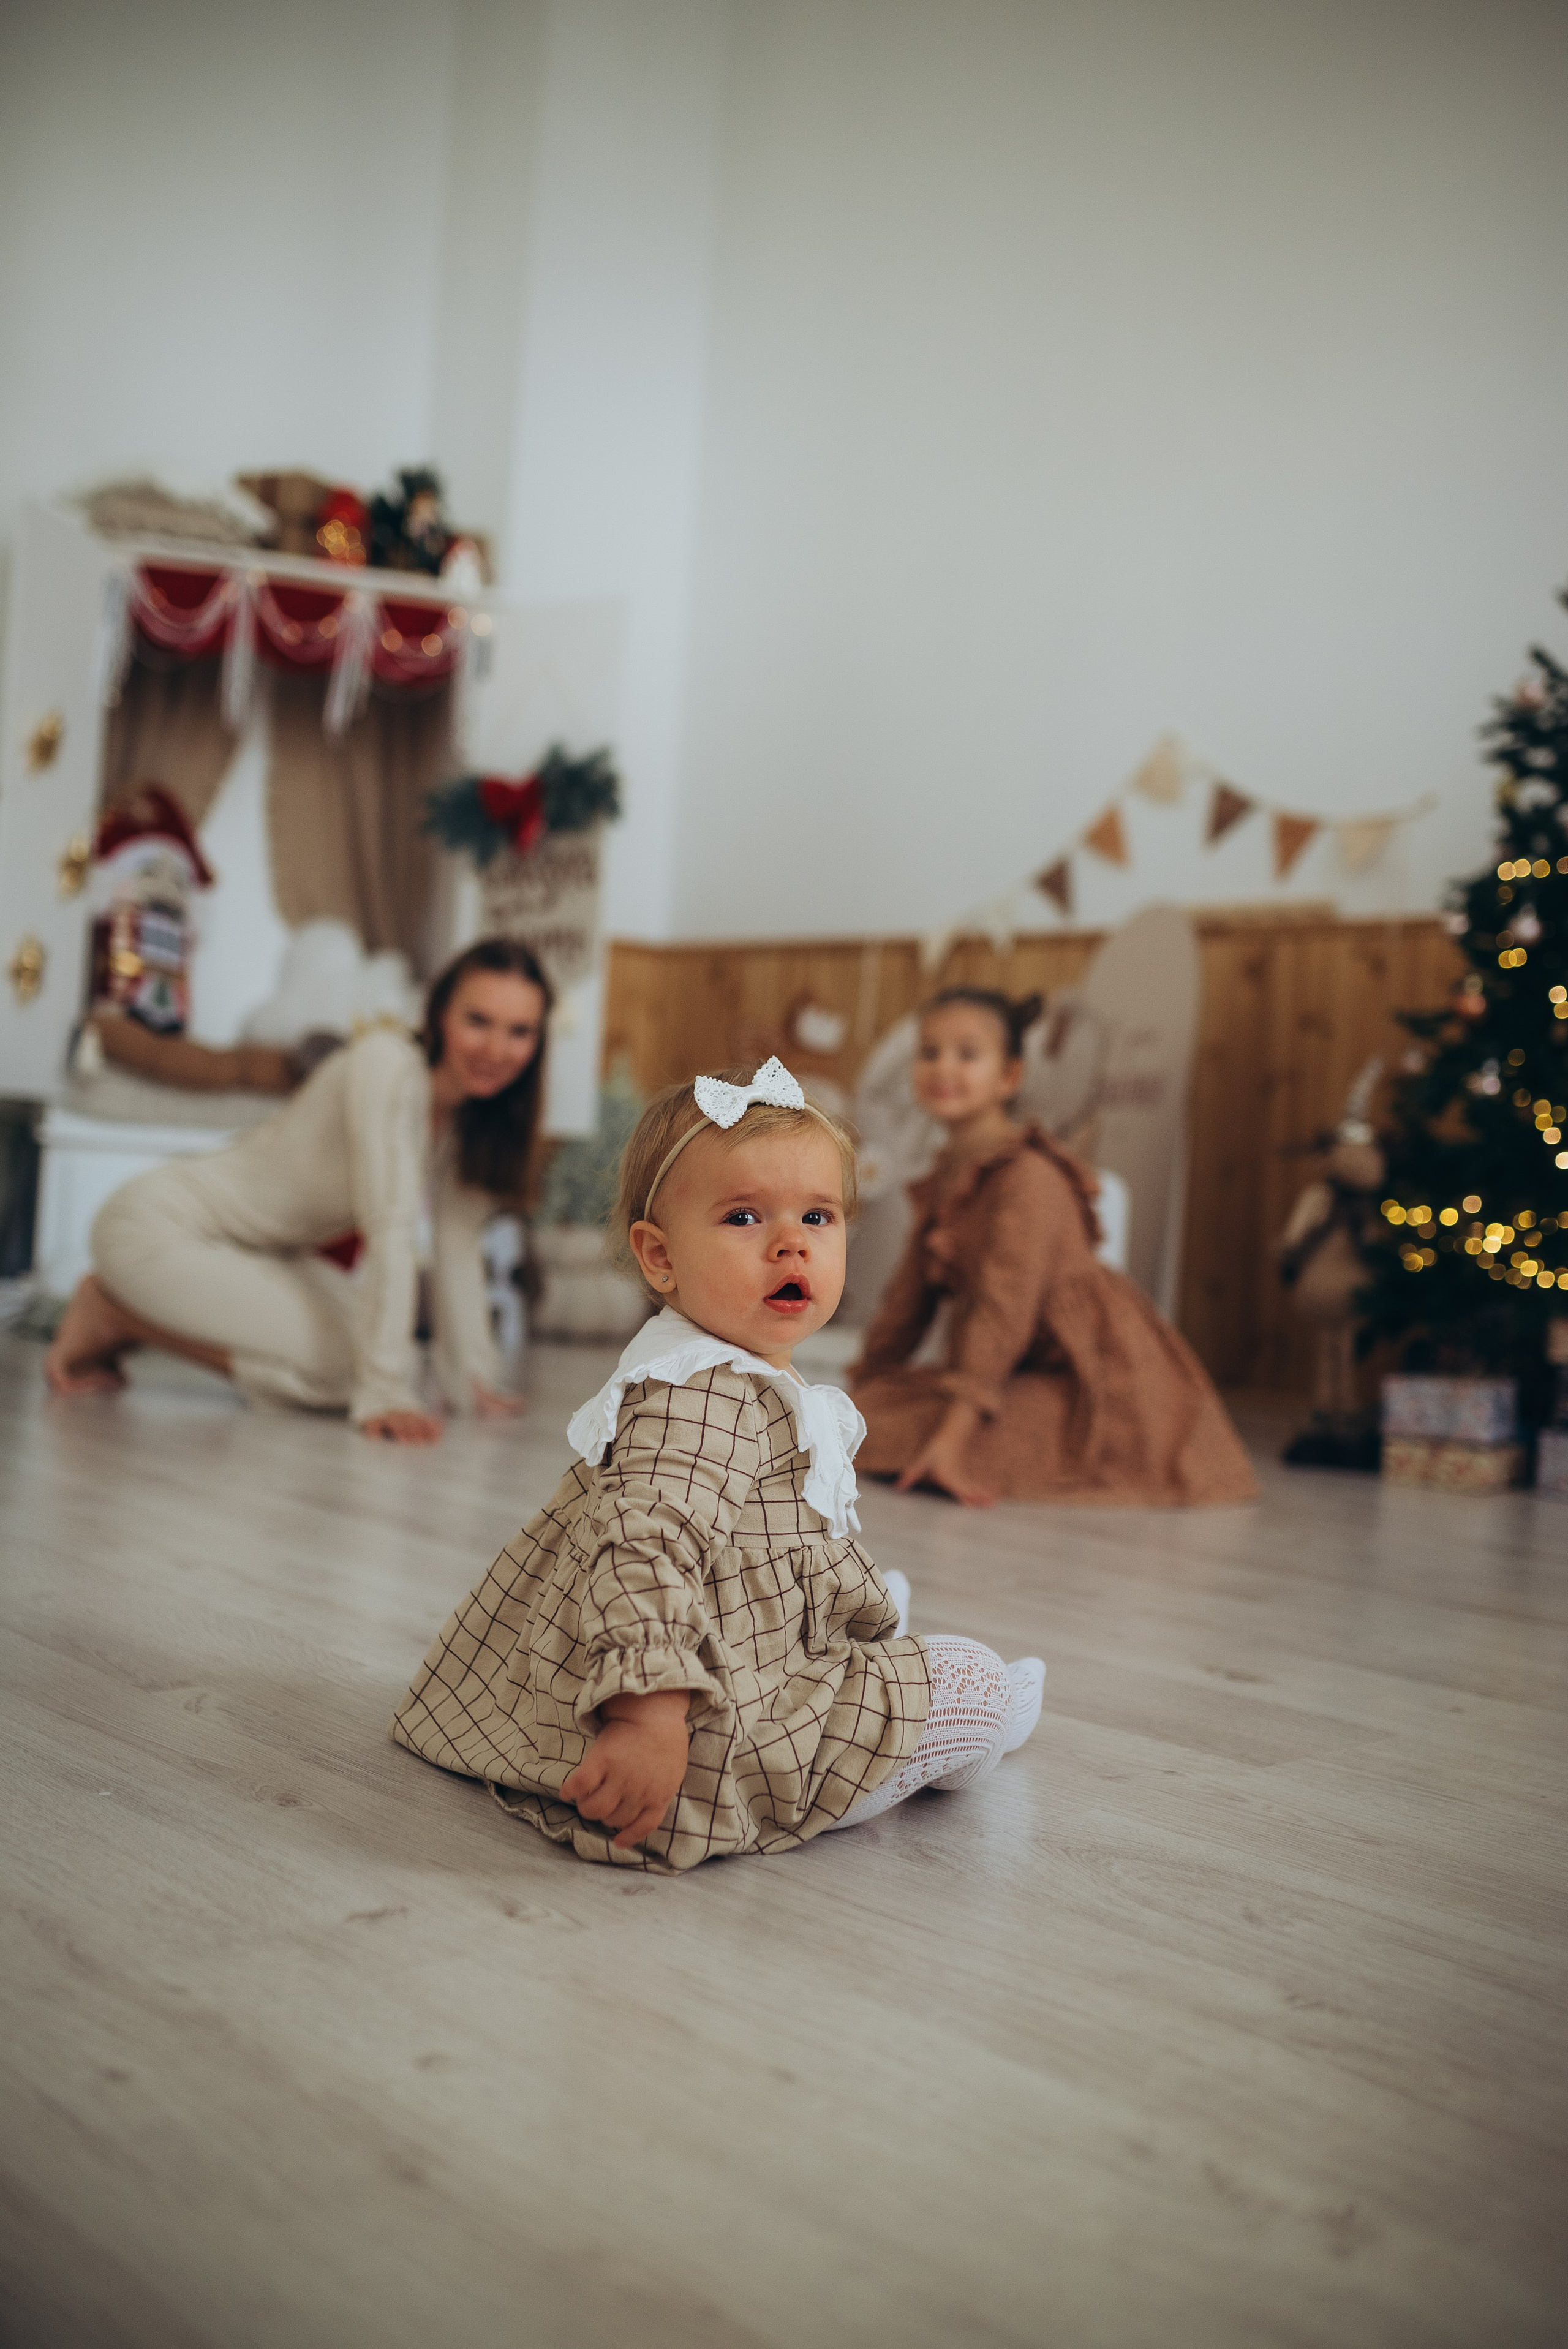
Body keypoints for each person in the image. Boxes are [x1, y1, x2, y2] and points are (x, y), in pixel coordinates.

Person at [390, 1056, 1046, 1871]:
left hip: (726, 1619)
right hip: (700, 1706)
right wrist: (650, 1715)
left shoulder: (728, 1357)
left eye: (818, 1216)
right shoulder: (697, 1396)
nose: (790, 1244)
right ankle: (949, 1737)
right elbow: (644, 1548)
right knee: (971, 1684)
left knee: (862, 1596)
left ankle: (848, 1641)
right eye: (743, 1217)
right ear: (660, 1257)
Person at [44, 937, 551, 1444]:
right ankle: (118, 1316)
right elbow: (390, 1229)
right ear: (440, 1013)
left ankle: (124, 1318)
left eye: (519, 1031)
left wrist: (473, 1382)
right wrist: (383, 1393)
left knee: (401, 1360)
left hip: (266, 1255)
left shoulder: (469, 1126)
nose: (495, 1049)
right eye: (478, 1021)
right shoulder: (387, 1063)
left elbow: (458, 1248)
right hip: (157, 1228)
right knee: (354, 1372)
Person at [851, 989, 1257, 1509]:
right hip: (1015, 1370)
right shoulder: (947, 1173)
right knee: (863, 1416)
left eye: (967, 1054)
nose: (942, 1067)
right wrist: (859, 1385)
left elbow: (1005, 1310)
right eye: (929, 1052)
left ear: (1010, 1077)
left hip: (1091, 1381)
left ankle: (953, 1442)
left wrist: (952, 1440)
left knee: (904, 1434)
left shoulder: (1028, 1176)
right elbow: (907, 1302)